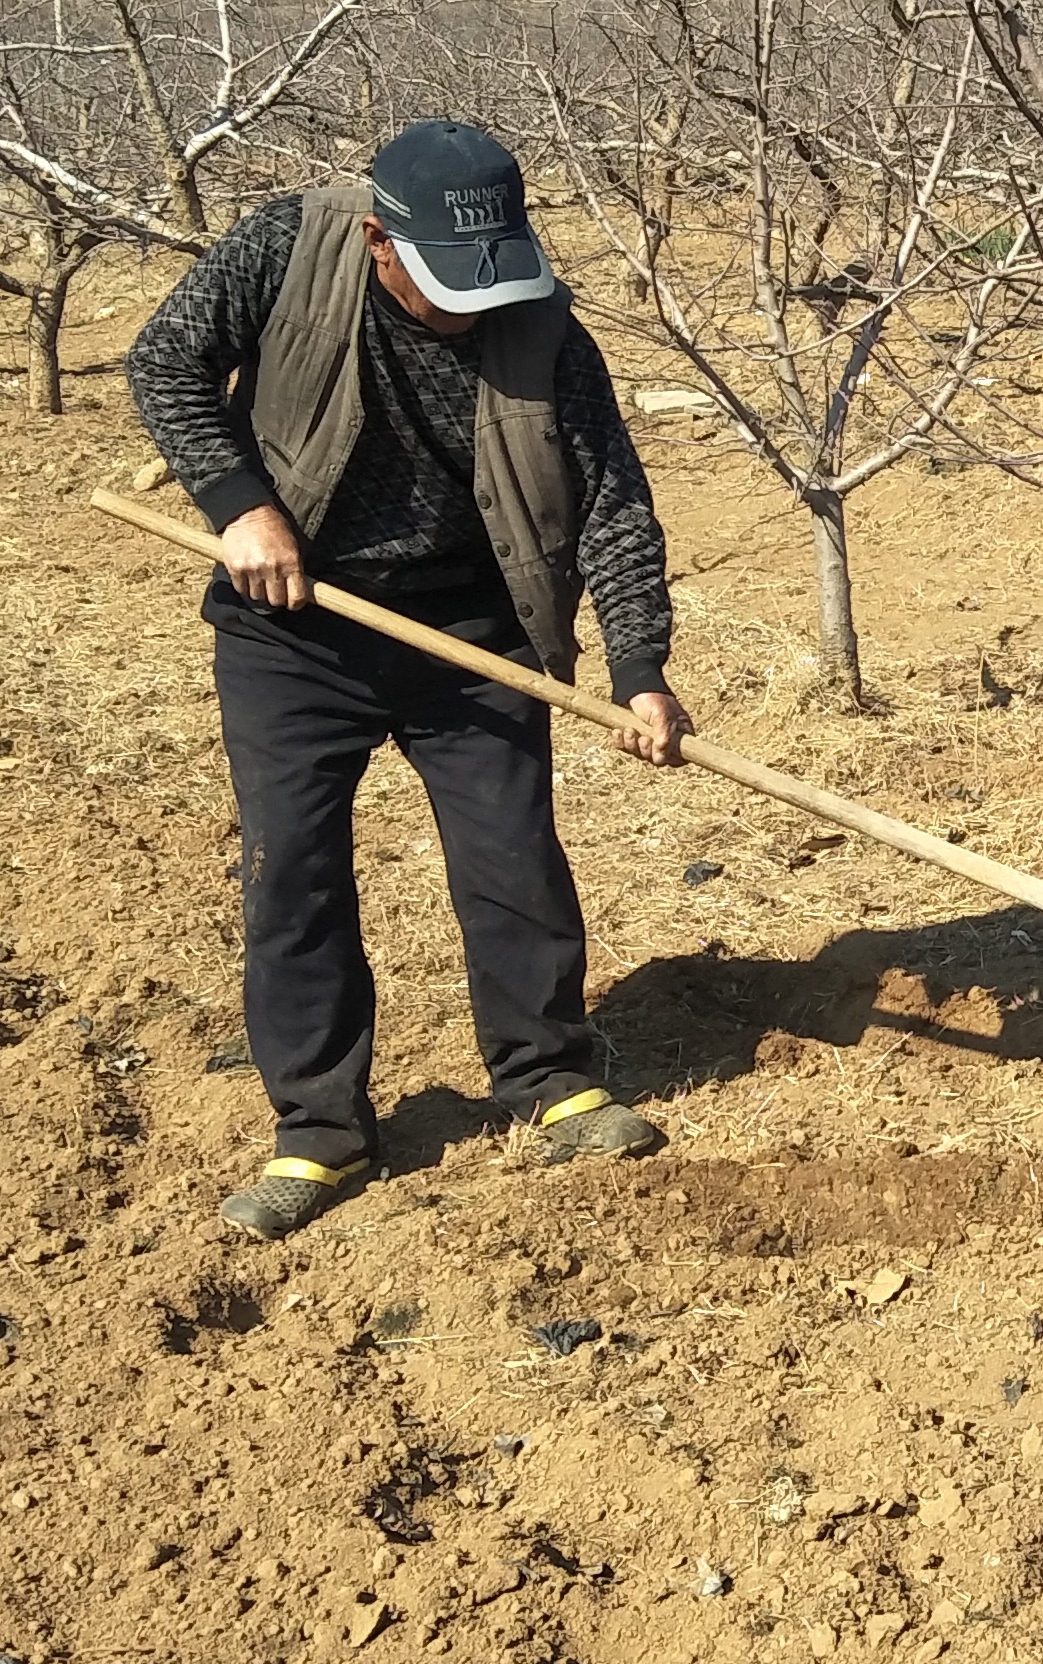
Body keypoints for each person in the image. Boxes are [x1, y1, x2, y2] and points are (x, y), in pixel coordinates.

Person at [124, 118, 693, 1238]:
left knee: (511, 852)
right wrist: (240, 505)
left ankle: (548, 1075)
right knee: (294, 868)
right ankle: (318, 1132)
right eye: (447, 281)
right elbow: (163, 360)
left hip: (473, 629)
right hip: (298, 622)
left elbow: (612, 504)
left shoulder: (545, 331)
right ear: (382, 240)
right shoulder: (287, 248)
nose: (474, 305)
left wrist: (640, 669)